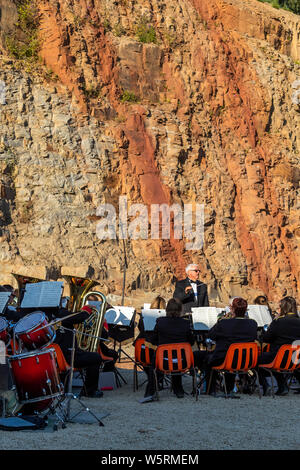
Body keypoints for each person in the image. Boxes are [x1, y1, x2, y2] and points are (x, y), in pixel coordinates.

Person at [199, 297, 258, 397]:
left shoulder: (224, 323)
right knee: (231, 356)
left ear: (232, 309)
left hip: (226, 360)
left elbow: (211, 336)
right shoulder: (253, 323)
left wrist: (221, 321)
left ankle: (211, 389)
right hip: (247, 360)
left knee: (205, 357)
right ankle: (229, 388)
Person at [145, 298, 196, 400]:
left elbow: (154, 340)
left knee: (154, 365)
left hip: (163, 361)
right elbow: (191, 342)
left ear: (167, 309)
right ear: (180, 310)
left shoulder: (160, 322)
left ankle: (150, 392)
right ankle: (178, 390)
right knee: (176, 356)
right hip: (182, 361)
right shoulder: (185, 323)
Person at [54, 305, 104, 398]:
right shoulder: (60, 313)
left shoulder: (47, 314)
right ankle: (89, 391)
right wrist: (86, 311)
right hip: (68, 355)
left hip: (61, 355)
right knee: (96, 357)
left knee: (91, 356)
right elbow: (79, 317)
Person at [257, 296, 300, 396]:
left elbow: (266, 339)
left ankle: (266, 385)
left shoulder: (279, 321)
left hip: (278, 358)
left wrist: (274, 322)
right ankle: (282, 385)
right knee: (278, 358)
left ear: (283, 308)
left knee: (255, 359)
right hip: (296, 359)